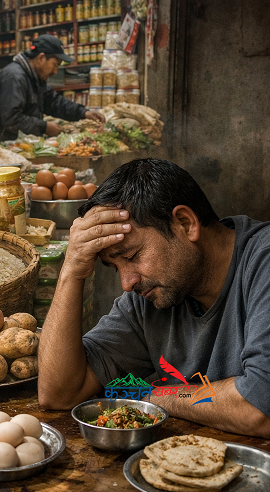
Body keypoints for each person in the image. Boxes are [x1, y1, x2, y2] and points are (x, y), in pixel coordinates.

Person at [38, 158, 270, 438]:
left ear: (185, 223)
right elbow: (58, 393)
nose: (127, 282)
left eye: (132, 256)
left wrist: (154, 396)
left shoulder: (263, 263)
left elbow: (259, 408)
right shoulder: (147, 298)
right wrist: (71, 273)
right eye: (115, 268)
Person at [0, 34, 105, 144]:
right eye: (55, 65)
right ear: (41, 58)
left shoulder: (35, 78)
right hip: (0, 149)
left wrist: (83, 113)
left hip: (19, 145)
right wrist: (44, 127)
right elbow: (11, 119)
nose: (56, 71)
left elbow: (54, 102)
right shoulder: (15, 77)